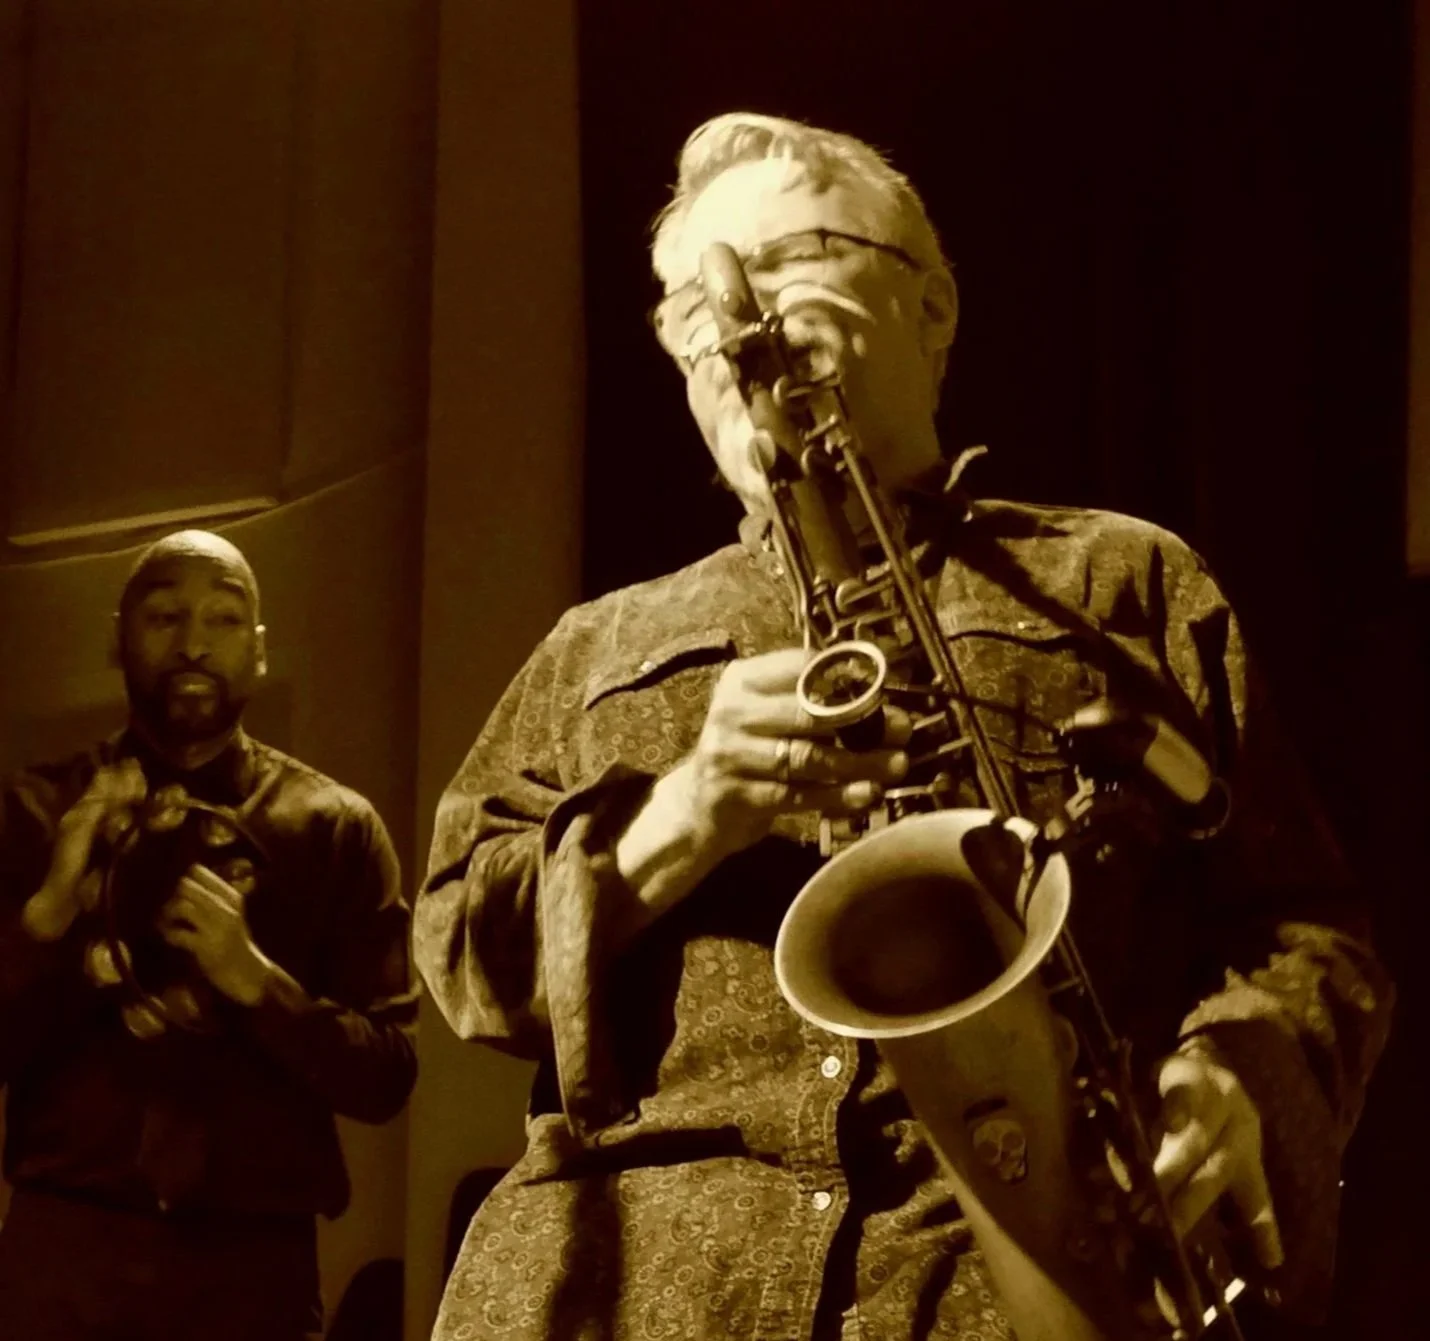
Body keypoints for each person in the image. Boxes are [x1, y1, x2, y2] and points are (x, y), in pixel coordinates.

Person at [416, 113, 1392, 1340]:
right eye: (684, 304)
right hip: (644, 1279)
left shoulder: (1122, 583)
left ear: (930, 311)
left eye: (777, 262)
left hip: (1008, 1269)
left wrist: (1240, 1075)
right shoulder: (592, 644)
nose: (730, 321)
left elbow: (1307, 930)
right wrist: (687, 813)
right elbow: (460, 962)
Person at [0, 529, 419, 1340]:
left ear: (259, 653)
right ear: (116, 637)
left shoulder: (335, 830)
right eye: (164, 616)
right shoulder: (32, 813)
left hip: (252, 1272)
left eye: (224, 620)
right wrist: (49, 913)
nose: (194, 643)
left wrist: (256, 981)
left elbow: (388, 1076)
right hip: (62, 1258)